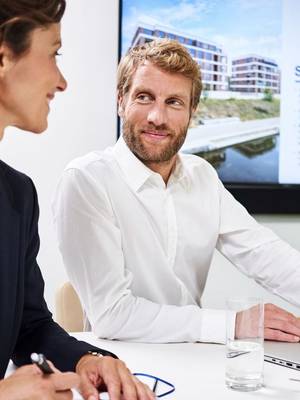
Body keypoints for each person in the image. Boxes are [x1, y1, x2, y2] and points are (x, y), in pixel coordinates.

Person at [53, 39, 300, 345]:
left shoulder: (202, 176)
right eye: (144, 97)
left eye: (174, 102)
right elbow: (113, 315)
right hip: (122, 365)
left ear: (191, 112)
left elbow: (264, 254)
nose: (158, 117)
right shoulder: (86, 180)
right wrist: (234, 324)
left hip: (193, 358)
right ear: (120, 101)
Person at [0, 1, 154, 399]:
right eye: (54, 53)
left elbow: (29, 327)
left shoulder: (16, 196)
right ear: (3, 57)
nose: (62, 80)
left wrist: (87, 358)